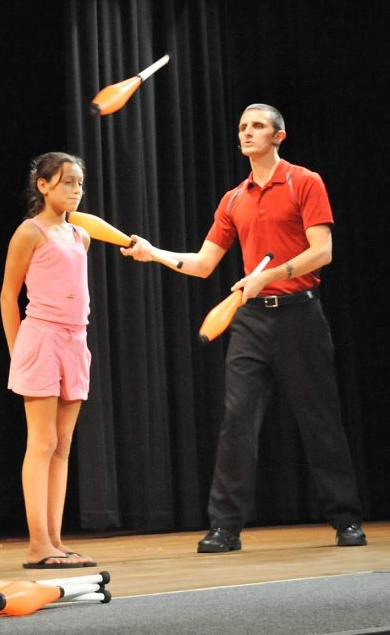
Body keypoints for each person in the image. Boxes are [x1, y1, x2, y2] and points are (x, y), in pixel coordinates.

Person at [121, 103, 366, 553]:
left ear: (279, 136)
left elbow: (323, 251)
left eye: (257, 126)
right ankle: (225, 528)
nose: (247, 133)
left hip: (299, 314)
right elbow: (204, 262)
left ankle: (347, 520)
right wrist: (154, 252)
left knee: (320, 420)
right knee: (237, 422)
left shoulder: (304, 181)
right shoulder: (234, 199)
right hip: (251, 321)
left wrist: (268, 276)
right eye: (242, 128)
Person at [0, 152, 97, 569]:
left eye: (79, 183)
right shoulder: (30, 232)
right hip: (40, 339)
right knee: (41, 443)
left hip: (76, 342)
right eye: (66, 183)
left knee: (62, 446)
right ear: (43, 185)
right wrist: (16, 350)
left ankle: (55, 542)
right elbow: (8, 295)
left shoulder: (79, 236)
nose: (75, 190)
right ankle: (37, 544)